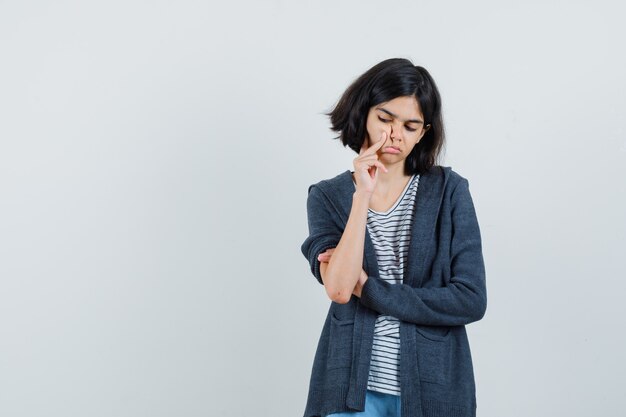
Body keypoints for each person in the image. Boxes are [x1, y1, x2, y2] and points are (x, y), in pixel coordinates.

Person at [300, 58, 487, 417]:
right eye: (385, 119)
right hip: (349, 391)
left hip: (434, 391)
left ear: (423, 132)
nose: (394, 135)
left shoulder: (450, 192)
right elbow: (339, 289)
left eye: (410, 125)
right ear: (364, 114)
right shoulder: (327, 197)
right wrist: (362, 197)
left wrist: (372, 290)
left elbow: (470, 299)